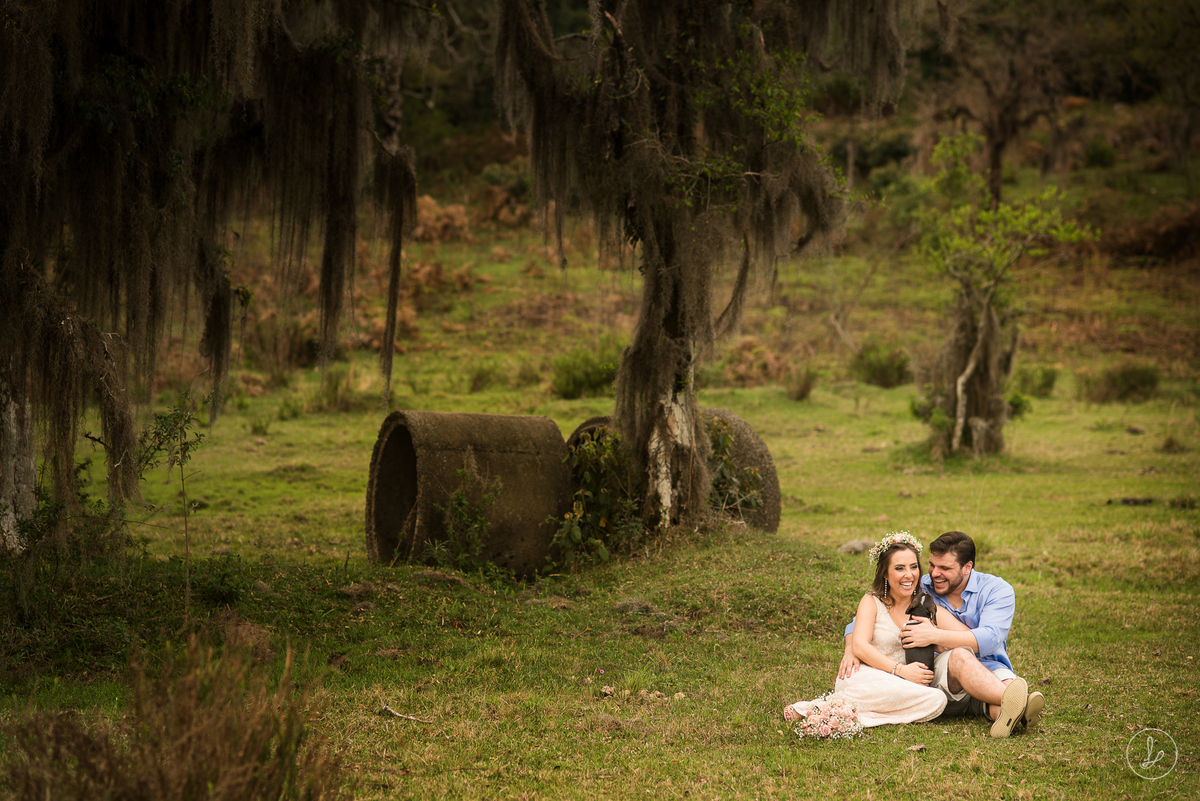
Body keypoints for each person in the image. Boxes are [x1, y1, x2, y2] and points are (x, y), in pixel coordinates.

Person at [838, 530, 1045, 738]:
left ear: (967, 567)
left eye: (945, 568)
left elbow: (989, 639)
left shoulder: (996, 590)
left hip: (988, 666)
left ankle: (1011, 711)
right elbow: (863, 622)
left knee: (998, 697)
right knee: (961, 659)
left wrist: (934, 636)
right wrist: (851, 648)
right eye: (931, 565)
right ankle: (1022, 703)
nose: (935, 573)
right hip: (942, 672)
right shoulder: (920, 587)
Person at [784, 531, 970, 727]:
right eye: (899, 568)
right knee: (878, 688)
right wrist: (901, 670)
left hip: (902, 686)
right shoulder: (872, 602)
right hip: (866, 676)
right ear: (885, 573)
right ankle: (817, 709)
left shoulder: (927, 607)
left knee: (937, 699)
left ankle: (847, 715)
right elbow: (860, 646)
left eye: (913, 567)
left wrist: (937, 637)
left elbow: (968, 637)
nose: (909, 574)